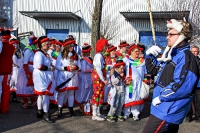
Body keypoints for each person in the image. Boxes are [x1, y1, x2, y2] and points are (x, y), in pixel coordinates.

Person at [142, 19, 199, 133]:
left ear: (182, 36)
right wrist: (148, 56)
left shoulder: (186, 57)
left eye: (171, 34)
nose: (167, 37)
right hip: (162, 108)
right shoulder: (172, 54)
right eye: (168, 34)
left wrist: (162, 97)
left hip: (168, 110)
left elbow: (182, 86)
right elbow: (154, 69)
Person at [55, 38, 81, 118]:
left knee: (71, 94)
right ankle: (60, 110)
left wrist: (76, 67)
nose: (72, 47)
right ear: (66, 46)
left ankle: (71, 109)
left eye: (73, 45)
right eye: (70, 45)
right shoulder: (61, 55)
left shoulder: (76, 56)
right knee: (61, 94)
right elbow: (57, 66)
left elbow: (80, 67)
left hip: (72, 78)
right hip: (63, 77)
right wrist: (66, 68)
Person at [33, 36, 55, 123]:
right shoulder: (39, 54)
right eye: (46, 43)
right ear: (41, 45)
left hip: (44, 76)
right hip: (41, 76)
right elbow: (39, 66)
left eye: (48, 43)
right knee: (45, 94)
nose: (48, 45)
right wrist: (50, 68)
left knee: (41, 95)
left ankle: (39, 111)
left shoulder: (45, 53)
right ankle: (46, 113)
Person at [122, 44, 147, 121]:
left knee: (137, 96)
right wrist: (124, 79)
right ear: (131, 52)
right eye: (136, 51)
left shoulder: (142, 62)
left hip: (139, 83)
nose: (137, 53)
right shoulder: (127, 61)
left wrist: (146, 80)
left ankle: (136, 114)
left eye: (138, 51)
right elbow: (120, 70)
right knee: (129, 97)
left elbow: (145, 72)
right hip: (130, 83)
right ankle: (126, 113)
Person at [16, 36, 38, 109]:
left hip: (33, 69)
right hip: (27, 69)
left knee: (32, 86)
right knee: (26, 86)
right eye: (37, 43)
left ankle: (33, 101)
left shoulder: (35, 50)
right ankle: (24, 101)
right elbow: (25, 62)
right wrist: (27, 72)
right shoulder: (28, 50)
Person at [91, 38, 108, 121]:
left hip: (100, 78)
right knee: (97, 94)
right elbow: (98, 68)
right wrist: (103, 78)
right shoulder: (98, 56)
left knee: (100, 94)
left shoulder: (101, 55)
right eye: (105, 45)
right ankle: (94, 114)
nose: (106, 47)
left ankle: (98, 112)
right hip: (98, 78)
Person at [107, 58, 128, 122]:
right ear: (117, 68)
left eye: (123, 68)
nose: (122, 70)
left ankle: (118, 114)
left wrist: (126, 82)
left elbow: (123, 82)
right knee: (115, 103)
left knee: (121, 103)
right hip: (116, 91)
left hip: (122, 90)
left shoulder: (122, 74)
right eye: (121, 68)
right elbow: (114, 82)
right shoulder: (114, 74)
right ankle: (111, 114)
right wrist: (119, 77)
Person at [75, 43, 93, 116]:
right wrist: (92, 69)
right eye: (89, 52)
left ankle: (87, 108)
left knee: (88, 93)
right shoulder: (83, 60)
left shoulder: (88, 59)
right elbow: (83, 69)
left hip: (88, 78)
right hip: (84, 78)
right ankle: (83, 107)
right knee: (84, 92)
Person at [0, 29, 15, 113]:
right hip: (8, 72)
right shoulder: (11, 47)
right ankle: (5, 109)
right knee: (6, 91)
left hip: (0, 72)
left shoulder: (1, 45)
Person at [185, 45, 200, 123]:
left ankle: (198, 117)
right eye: (193, 51)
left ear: (198, 52)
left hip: (198, 85)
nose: (195, 53)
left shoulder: (199, 61)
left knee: (199, 102)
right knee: (189, 102)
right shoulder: (187, 62)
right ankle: (188, 116)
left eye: (196, 51)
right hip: (189, 84)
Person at [103, 44, 117, 110]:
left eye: (114, 50)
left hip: (114, 77)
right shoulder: (106, 59)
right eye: (112, 51)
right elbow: (104, 67)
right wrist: (110, 67)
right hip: (108, 77)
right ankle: (105, 104)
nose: (114, 52)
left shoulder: (116, 59)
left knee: (113, 91)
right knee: (106, 90)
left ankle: (112, 104)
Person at [9, 38, 23, 102]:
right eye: (13, 44)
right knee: (12, 82)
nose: (15, 45)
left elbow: (22, 59)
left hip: (20, 68)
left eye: (16, 43)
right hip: (13, 69)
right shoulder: (10, 51)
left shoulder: (20, 50)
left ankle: (15, 97)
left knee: (18, 82)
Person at [49, 40, 63, 107]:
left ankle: (58, 101)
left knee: (58, 85)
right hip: (53, 71)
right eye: (56, 46)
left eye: (58, 46)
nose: (57, 47)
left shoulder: (61, 55)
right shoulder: (53, 53)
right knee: (53, 85)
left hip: (59, 72)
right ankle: (52, 101)